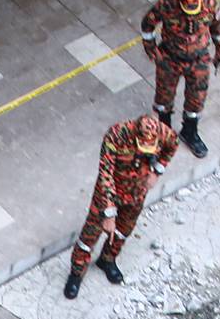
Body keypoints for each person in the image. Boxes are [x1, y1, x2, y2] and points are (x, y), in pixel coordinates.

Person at [63, 114, 178, 300]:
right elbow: (106, 172)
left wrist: (157, 171)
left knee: (123, 232)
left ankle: (107, 260)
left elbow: (173, 145)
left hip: (136, 194)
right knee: (89, 236)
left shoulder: (163, 133)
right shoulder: (116, 135)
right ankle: (76, 273)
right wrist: (109, 213)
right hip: (110, 194)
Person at [141, 0, 220, 159]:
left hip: (198, 59)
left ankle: (190, 131)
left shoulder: (209, 4)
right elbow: (147, 25)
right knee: (164, 99)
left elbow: (217, 28)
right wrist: (151, 49)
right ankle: (164, 135)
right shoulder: (166, 5)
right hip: (170, 58)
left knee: (197, 99)